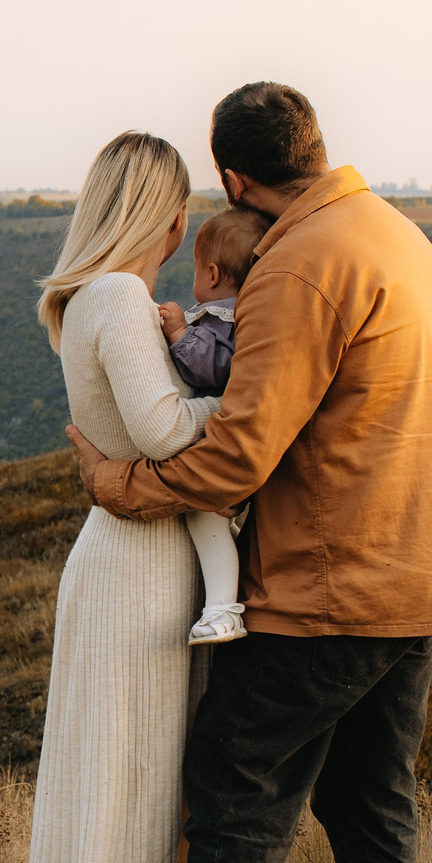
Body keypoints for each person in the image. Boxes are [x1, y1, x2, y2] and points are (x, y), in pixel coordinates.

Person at [66, 82, 432, 863]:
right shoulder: (395, 235)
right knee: (371, 803)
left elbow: (238, 453)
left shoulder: (299, 263)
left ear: (233, 177)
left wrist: (123, 487)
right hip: (424, 570)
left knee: (232, 794)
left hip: (331, 582)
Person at [20, 131, 219, 863]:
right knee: (112, 775)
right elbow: (166, 431)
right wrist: (253, 407)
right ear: (168, 219)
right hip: (136, 562)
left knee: (111, 774)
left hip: (132, 554)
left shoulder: (97, 299)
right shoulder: (119, 296)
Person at [158, 205, 274, 647]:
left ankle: (223, 611)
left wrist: (178, 335)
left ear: (211, 273)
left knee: (203, 514)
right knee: (215, 525)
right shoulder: (252, 312)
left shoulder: (222, 317)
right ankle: (225, 598)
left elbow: (214, 367)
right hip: (240, 441)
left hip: (221, 441)